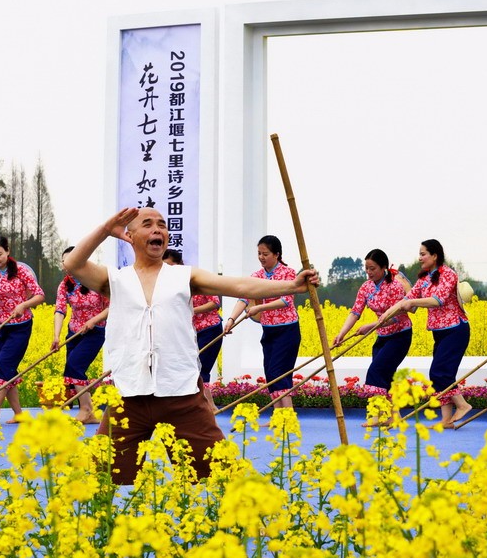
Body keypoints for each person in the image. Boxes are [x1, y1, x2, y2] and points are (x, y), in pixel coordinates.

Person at [64, 207, 319, 485]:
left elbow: (238, 286)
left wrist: (292, 286)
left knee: (223, 477)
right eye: (147, 225)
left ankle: (251, 526)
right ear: (131, 236)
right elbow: (74, 264)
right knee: (100, 481)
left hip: (181, 394)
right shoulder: (114, 279)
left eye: (162, 224)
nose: (157, 229)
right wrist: (106, 228)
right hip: (128, 395)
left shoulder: (184, 276)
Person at [380, 239, 472, 428]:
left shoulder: (448, 274)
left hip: (456, 330)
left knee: (439, 371)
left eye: (423, 254)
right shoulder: (424, 278)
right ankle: (446, 420)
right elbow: (407, 300)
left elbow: (437, 300)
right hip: (439, 332)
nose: (420, 258)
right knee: (440, 374)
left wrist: (412, 303)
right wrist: (384, 317)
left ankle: (462, 405)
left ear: (435, 255)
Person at [332, 249, 413, 426]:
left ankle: (376, 416)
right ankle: (392, 417)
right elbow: (355, 312)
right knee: (386, 376)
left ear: (384, 267)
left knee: (376, 372)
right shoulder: (366, 287)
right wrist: (342, 334)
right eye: (366, 268)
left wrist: (371, 326)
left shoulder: (395, 287)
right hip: (382, 335)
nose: (369, 272)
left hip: (400, 335)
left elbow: (396, 316)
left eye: (373, 268)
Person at [224, 235, 300, 412]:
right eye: (259, 253)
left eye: (265, 253)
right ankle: (278, 415)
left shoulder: (288, 273)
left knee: (279, 372)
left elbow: (286, 301)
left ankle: (288, 416)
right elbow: (243, 298)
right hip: (268, 331)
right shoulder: (256, 276)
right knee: (270, 372)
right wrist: (231, 320)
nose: (261, 257)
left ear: (277, 254)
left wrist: (260, 308)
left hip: (287, 330)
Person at [0, 236, 45, 424]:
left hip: (20, 327)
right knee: (7, 370)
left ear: (8, 252)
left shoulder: (21, 271)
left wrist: (23, 305)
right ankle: (19, 414)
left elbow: (40, 295)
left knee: (4, 365)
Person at [52, 246, 109, 424]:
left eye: (72, 260)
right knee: (72, 369)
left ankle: (86, 409)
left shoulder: (97, 280)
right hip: (74, 332)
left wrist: (93, 321)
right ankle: (89, 411)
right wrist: (56, 336)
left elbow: (111, 306)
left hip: (96, 331)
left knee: (75, 365)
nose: (68, 265)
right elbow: (60, 310)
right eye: (65, 261)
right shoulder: (64, 285)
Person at [164, 248, 223, 409]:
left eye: (171, 266)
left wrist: (192, 310)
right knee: (193, 369)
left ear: (180, 264)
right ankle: (207, 406)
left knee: (202, 368)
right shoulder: (167, 285)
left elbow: (215, 302)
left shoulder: (194, 280)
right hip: (190, 333)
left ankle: (207, 407)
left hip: (210, 329)